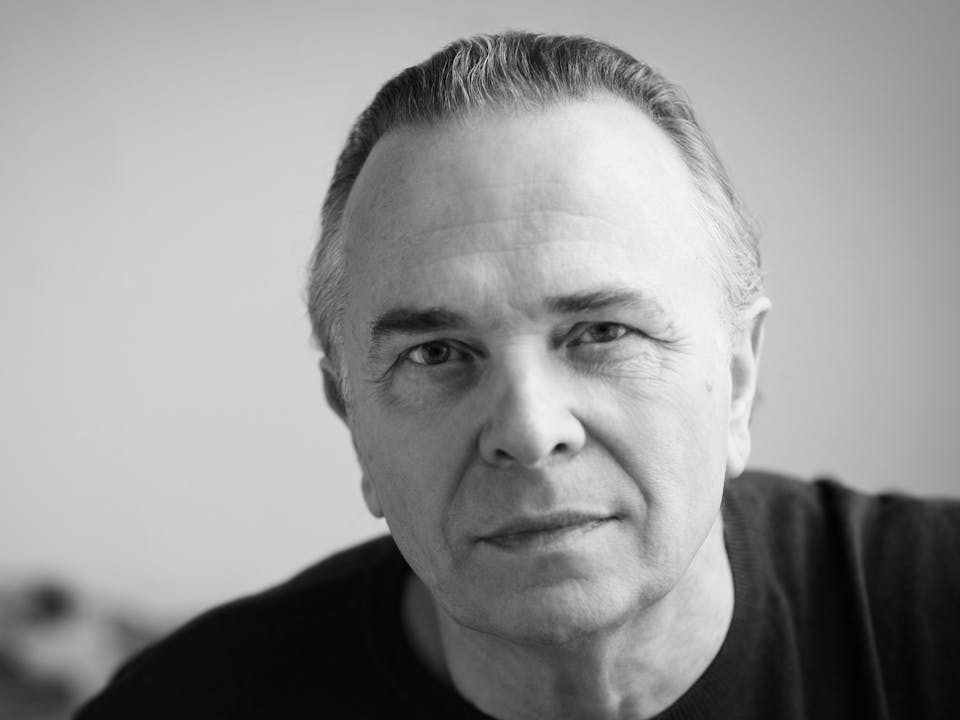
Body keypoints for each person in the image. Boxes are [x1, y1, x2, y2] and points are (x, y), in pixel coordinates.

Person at [77, 32, 959, 719]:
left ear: (737, 372)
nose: (531, 429)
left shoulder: (933, 610)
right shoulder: (185, 709)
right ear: (350, 414)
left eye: (602, 332)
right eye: (436, 354)